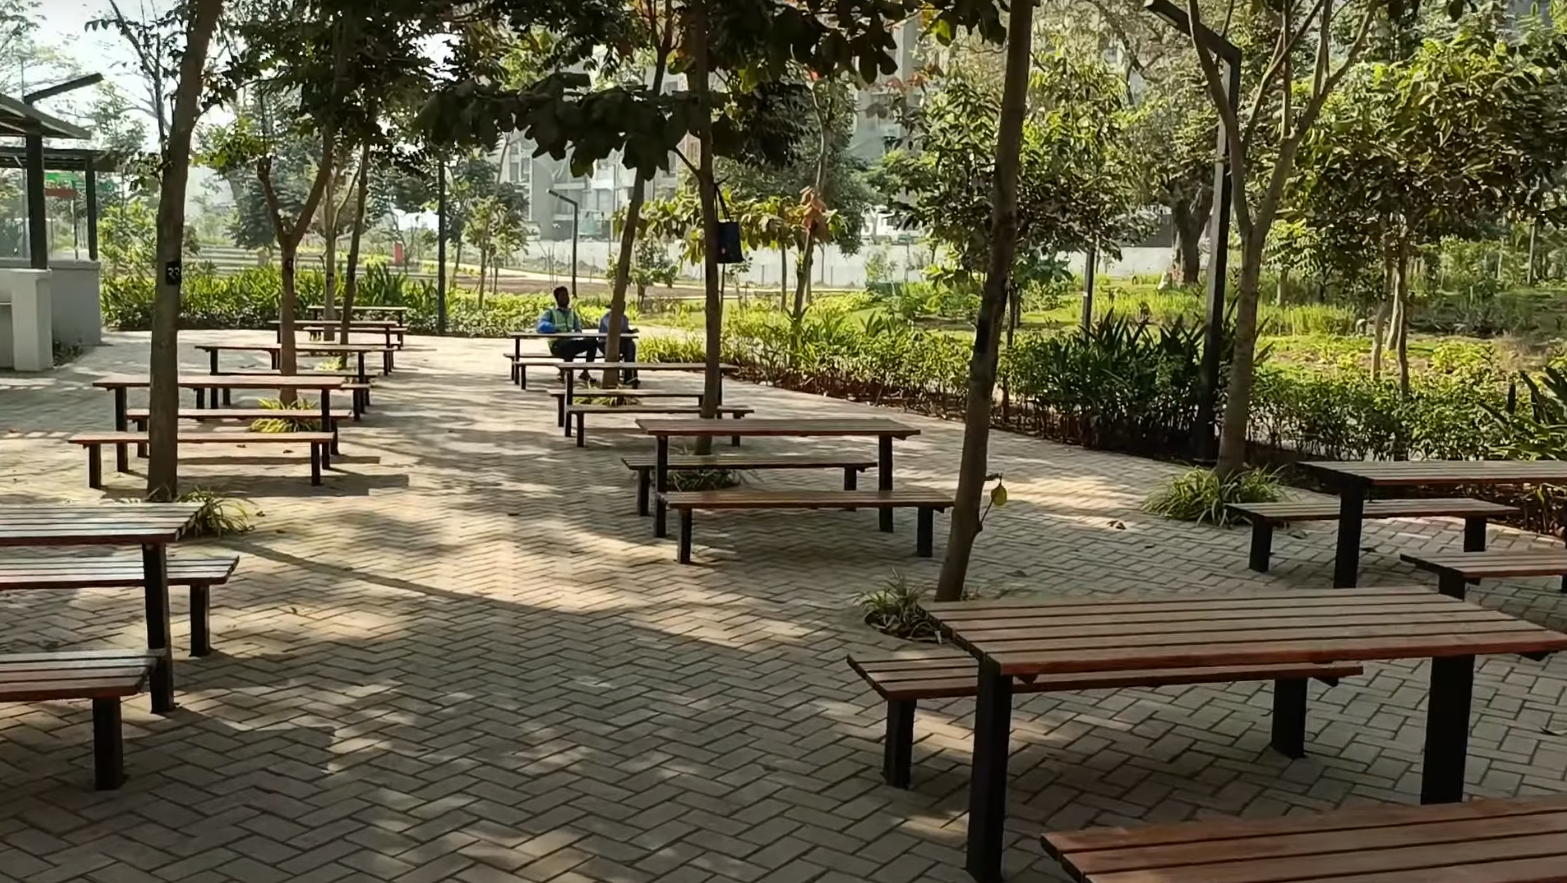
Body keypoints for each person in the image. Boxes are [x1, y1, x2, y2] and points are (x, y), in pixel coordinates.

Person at [537, 286, 596, 382]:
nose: (565, 298)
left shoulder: (572, 313)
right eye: (562, 295)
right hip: (557, 345)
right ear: (557, 298)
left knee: (593, 342)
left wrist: (579, 335)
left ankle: (585, 372)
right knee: (568, 346)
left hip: (571, 343)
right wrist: (554, 328)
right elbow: (540, 327)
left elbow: (578, 329)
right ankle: (564, 372)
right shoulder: (550, 312)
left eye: (566, 295)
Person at [597, 310, 639, 388]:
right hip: (606, 343)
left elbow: (624, 331)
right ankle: (616, 377)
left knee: (631, 346)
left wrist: (630, 332)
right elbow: (613, 331)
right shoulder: (607, 318)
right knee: (623, 347)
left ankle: (629, 375)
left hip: (620, 342)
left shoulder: (624, 318)